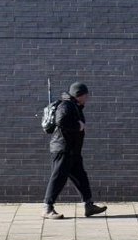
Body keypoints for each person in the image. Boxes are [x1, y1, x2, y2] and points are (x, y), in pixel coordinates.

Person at [43, 82, 106, 220]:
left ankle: (89, 205)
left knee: (81, 178)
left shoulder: (74, 106)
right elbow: (61, 121)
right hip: (63, 149)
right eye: (86, 94)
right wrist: (78, 126)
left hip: (73, 151)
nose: (87, 97)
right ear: (79, 95)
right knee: (58, 177)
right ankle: (47, 208)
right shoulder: (66, 105)